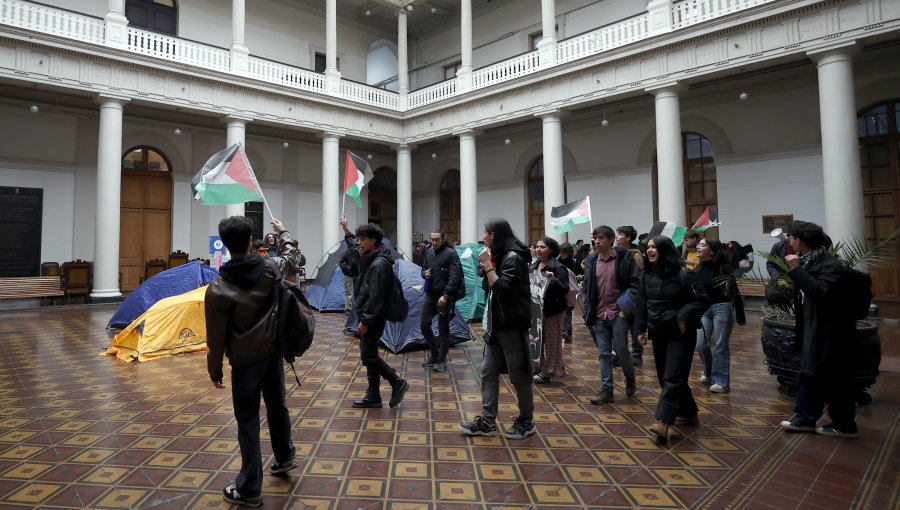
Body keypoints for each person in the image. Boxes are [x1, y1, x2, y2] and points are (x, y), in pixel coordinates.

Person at [205, 216, 299, 508]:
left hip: (245, 361)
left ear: (226, 244)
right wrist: (283, 231)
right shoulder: (270, 268)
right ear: (249, 242)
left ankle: (249, 488)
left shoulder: (218, 288)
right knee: (277, 405)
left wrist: (215, 368)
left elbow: (215, 338)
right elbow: (292, 255)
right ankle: (284, 457)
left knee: (248, 421)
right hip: (272, 353)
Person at [779, 221, 858, 437]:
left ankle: (844, 425)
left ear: (799, 241)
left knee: (836, 378)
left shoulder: (830, 265)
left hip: (831, 331)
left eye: (792, 238)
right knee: (808, 373)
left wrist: (796, 270)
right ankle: (805, 419)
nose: (789, 243)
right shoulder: (806, 261)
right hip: (812, 328)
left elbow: (822, 294)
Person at [460, 218, 536, 439]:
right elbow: (489, 287)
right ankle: (487, 420)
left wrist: (488, 266)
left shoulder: (513, 257)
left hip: (511, 324)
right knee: (488, 371)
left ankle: (526, 420)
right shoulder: (501, 254)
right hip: (495, 324)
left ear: (494, 234)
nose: (483, 237)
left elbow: (503, 289)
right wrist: (487, 268)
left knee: (519, 373)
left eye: (485, 233)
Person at [636, 236, 709, 445]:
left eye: (654, 248)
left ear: (665, 250)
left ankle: (663, 421)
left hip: (681, 334)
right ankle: (689, 412)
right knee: (664, 377)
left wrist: (683, 315)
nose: (650, 251)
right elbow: (641, 304)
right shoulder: (646, 276)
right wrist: (640, 329)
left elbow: (702, 300)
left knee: (673, 377)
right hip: (658, 333)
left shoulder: (684, 275)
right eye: (648, 247)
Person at [350, 223, 410, 409]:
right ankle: (374, 395)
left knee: (368, 355)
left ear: (373, 241)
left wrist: (366, 320)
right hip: (370, 315)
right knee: (370, 353)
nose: (359, 243)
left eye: (362, 240)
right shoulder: (372, 258)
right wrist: (346, 230)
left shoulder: (378, 263)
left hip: (373, 316)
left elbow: (376, 296)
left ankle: (396, 381)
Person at [583, 225, 640, 404]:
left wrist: (624, 310)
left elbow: (635, 285)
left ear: (610, 240)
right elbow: (588, 287)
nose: (597, 241)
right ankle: (607, 390)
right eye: (595, 238)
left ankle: (630, 378)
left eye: (601, 238)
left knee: (622, 351)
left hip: (618, 313)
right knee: (604, 353)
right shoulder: (592, 261)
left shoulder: (624, 258)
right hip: (599, 314)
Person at [693, 238, 746, 394]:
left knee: (721, 345)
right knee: (700, 344)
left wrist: (740, 315)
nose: (698, 246)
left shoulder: (723, 267)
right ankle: (708, 371)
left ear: (712, 250)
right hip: (704, 309)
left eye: (702, 245)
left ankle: (721, 381)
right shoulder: (698, 267)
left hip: (721, 307)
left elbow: (734, 291)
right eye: (699, 244)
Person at [421, 229, 464, 372]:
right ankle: (434, 354)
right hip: (430, 295)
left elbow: (455, 277)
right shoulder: (429, 251)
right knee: (424, 325)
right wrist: (424, 273)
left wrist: (445, 296)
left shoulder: (451, 253)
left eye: (437, 239)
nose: (434, 242)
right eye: (432, 239)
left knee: (443, 329)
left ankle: (441, 360)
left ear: (443, 239)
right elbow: (424, 268)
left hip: (444, 297)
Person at [531, 236, 569, 384]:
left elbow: (565, 289)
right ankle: (538, 367)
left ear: (551, 249)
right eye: (537, 247)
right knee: (537, 340)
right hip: (536, 309)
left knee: (552, 342)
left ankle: (550, 371)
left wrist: (554, 280)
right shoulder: (534, 265)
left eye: (542, 247)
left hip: (553, 310)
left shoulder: (558, 267)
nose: (538, 249)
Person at [615, 225, 645, 365]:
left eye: (620, 234)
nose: (616, 237)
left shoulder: (635, 254)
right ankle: (621, 354)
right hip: (617, 294)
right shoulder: (615, 253)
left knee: (634, 326)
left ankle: (636, 354)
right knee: (619, 328)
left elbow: (638, 276)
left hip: (631, 295)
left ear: (628, 237)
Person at [339, 216, 362, 337]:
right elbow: (342, 263)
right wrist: (349, 271)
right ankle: (348, 309)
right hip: (351, 276)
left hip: (359, 278)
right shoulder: (347, 252)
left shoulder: (364, 253)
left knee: (359, 300)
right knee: (350, 294)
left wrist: (345, 228)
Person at [557, 242, 577, 342]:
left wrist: (579, 276)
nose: (562, 254)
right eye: (561, 252)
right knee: (565, 310)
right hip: (561, 289)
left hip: (571, 290)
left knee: (568, 310)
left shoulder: (574, 262)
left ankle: (566, 331)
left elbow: (581, 273)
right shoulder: (557, 261)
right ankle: (566, 331)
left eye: (564, 252)